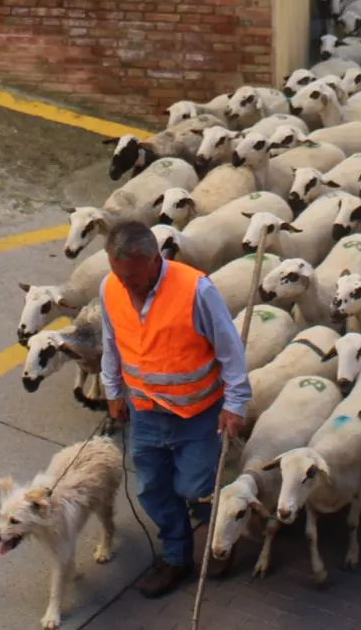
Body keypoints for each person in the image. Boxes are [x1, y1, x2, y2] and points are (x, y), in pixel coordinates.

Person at [98, 220, 250, 598]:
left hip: (196, 412)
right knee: (152, 487)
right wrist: (113, 390)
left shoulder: (196, 290)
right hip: (146, 410)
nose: (125, 284)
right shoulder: (110, 287)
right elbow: (111, 340)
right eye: (118, 275)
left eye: (132, 276)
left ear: (154, 260)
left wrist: (235, 404)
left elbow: (230, 351)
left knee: (194, 486)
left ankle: (221, 530)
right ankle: (177, 556)